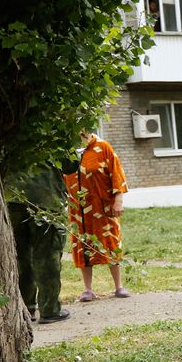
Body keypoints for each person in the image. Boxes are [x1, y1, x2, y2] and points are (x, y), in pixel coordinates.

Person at [66, 129, 129, 300]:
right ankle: (87, 289)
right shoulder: (68, 153)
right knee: (82, 245)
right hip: (79, 211)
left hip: (103, 208)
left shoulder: (103, 147)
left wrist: (118, 200)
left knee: (111, 241)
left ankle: (119, 286)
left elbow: (117, 175)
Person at [6, 163, 70, 324]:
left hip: (13, 196)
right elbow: (70, 165)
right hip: (45, 198)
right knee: (47, 255)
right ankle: (50, 309)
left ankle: (25, 308)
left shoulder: (4, 136)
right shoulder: (55, 136)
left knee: (20, 255)